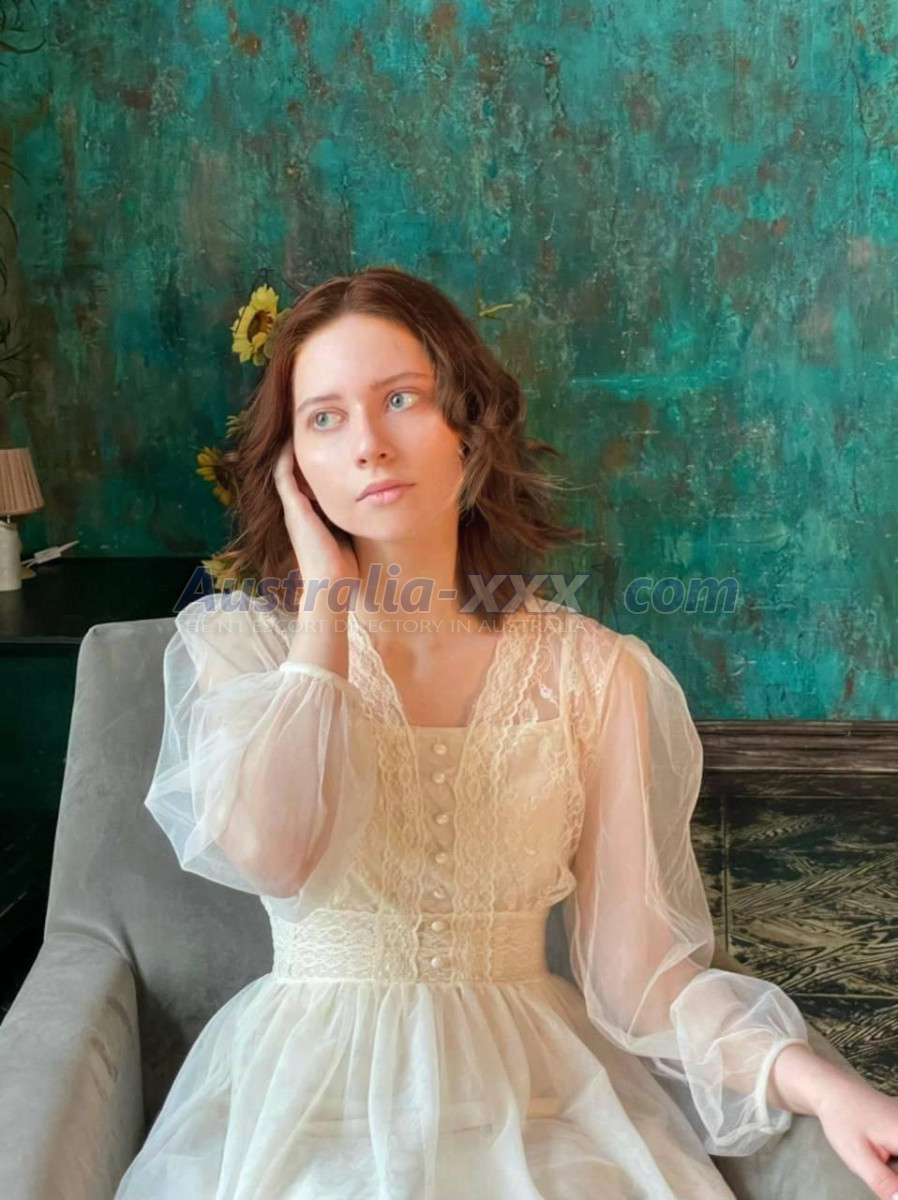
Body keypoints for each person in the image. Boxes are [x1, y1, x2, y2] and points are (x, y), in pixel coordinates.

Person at [114, 267, 897, 1199]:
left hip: (536, 1106)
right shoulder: (239, 646)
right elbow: (281, 857)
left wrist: (829, 1087)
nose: (368, 446)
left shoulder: (596, 672)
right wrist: (325, 607)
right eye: (324, 418)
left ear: (471, 420)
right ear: (293, 465)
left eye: (400, 399)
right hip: (308, 1105)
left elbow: (643, 978)